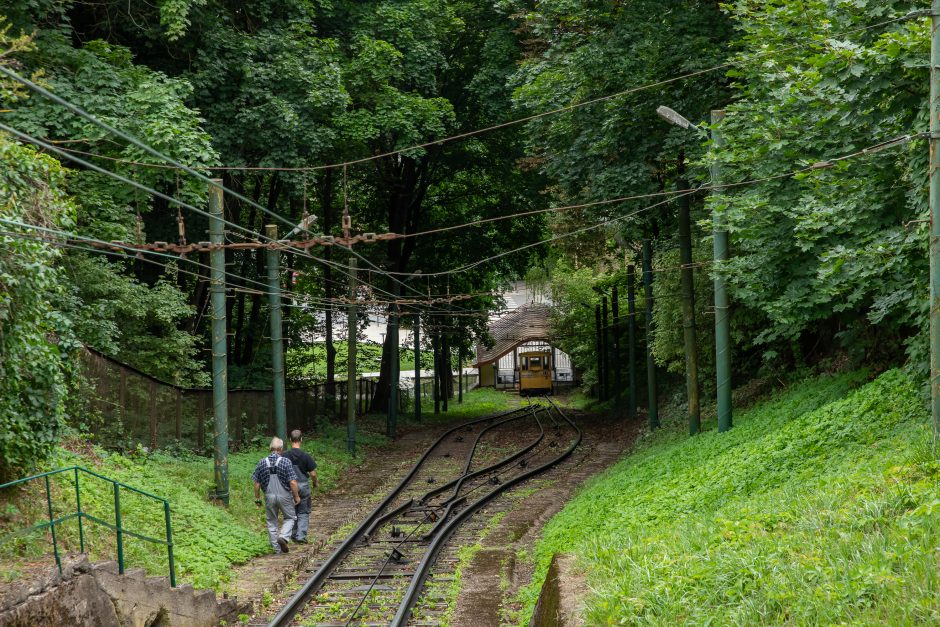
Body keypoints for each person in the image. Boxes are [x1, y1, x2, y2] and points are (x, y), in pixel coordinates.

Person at [251, 437, 300, 554]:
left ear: (270, 448)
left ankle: (276, 549)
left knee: (271, 521)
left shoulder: (262, 462)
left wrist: (257, 498)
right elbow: (293, 482)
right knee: (290, 518)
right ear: (281, 449)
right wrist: (296, 496)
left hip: (269, 496)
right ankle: (283, 537)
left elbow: (257, 484)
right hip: (285, 496)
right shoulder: (285, 461)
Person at [282, 429, 318, 543]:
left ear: (290, 440)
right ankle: (301, 536)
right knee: (303, 511)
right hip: (303, 486)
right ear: (301, 439)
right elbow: (313, 473)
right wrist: (315, 483)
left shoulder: (284, 455)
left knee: (292, 511)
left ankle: (293, 534)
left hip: (289, 487)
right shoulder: (306, 456)